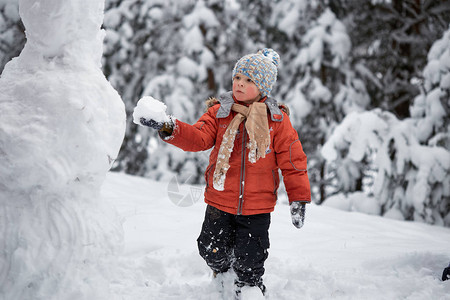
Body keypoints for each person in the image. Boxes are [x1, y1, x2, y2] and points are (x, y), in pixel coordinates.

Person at [135, 48, 311, 298]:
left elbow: (293, 162)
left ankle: (249, 288)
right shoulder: (220, 112)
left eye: (249, 80)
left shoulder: (277, 121)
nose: (240, 83)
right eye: (238, 77)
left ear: (263, 87)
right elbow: (197, 138)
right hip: (220, 199)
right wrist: (169, 126)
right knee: (210, 249)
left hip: (257, 206)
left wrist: (299, 198)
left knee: (251, 258)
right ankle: (222, 274)